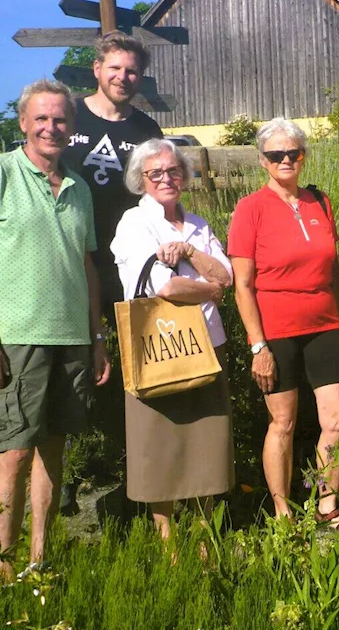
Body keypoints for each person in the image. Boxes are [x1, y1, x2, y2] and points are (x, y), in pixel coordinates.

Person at [0, 79, 111, 576]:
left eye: (60, 119)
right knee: (15, 451)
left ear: (72, 127)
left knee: (54, 448)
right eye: (40, 118)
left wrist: (97, 338)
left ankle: (39, 560)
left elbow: (87, 267)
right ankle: (3, 565)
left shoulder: (79, 188)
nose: (51, 127)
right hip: (17, 338)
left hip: (72, 339)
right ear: (22, 122)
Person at [227, 119, 339, 529]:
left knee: (336, 420)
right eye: (275, 155)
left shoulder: (321, 201)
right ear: (262, 161)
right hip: (275, 331)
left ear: (304, 156)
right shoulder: (250, 208)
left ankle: (327, 502)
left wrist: (338, 313)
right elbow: (242, 285)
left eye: (293, 153)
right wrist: (257, 346)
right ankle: (282, 512)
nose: (285, 160)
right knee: (283, 422)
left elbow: (333, 267)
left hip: (324, 324)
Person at [109, 138, 235, 538]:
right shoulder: (134, 222)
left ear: (184, 174)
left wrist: (190, 253)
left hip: (207, 345)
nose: (167, 178)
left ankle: (204, 537)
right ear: (141, 179)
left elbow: (227, 274)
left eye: (174, 170)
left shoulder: (198, 223)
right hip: (159, 347)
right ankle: (168, 543)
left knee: (206, 446)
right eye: (156, 173)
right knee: (160, 445)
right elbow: (167, 289)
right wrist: (211, 291)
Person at [61, 31, 163, 511]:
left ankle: (137, 467)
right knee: (72, 365)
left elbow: (158, 196)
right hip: (69, 259)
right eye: (115, 68)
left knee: (132, 366)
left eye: (132, 71)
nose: (123, 77)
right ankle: (64, 469)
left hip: (126, 265)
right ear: (97, 68)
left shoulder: (146, 130)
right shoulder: (68, 115)